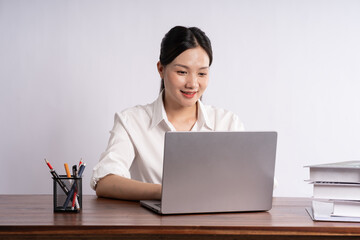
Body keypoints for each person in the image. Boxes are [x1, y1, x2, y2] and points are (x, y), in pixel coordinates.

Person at [91, 26, 244, 200]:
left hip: (213, 223)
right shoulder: (132, 121)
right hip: (153, 225)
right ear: (161, 69)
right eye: (182, 72)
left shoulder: (227, 122)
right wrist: (166, 192)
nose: (193, 83)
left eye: (202, 73)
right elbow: (105, 181)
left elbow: (254, 181)